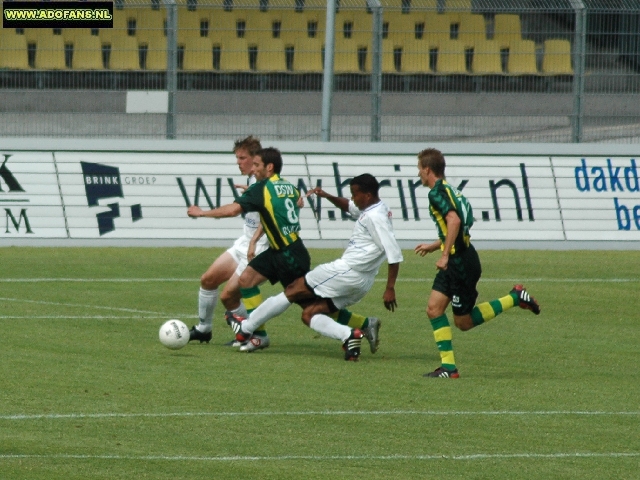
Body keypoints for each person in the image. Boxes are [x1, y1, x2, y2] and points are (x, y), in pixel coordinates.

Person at [228, 173, 403, 361]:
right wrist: (327, 196)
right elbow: (350, 207)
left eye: (354, 194)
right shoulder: (374, 207)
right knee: (309, 313)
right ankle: (349, 335)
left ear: (367, 195)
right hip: (362, 282)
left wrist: (390, 288)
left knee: (293, 290)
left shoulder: (376, 217)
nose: (352, 198)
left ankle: (245, 329)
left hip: (347, 271)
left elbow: (394, 253)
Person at [415, 148, 541, 379]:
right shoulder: (452, 190)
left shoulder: (436, 193)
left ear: (427, 169)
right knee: (434, 309)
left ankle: (515, 297)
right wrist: (436, 245)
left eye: (419, 170)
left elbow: (454, 221)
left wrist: (444, 255)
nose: (419, 175)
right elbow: (462, 223)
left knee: (463, 322)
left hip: (459, 263)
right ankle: (449, 368)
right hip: (456, 257)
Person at [186, 136, 270, 350]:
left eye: (242, 158)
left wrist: (202, 213)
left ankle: (255, 335)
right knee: (208, 280)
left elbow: (233, 210)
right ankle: (204, 329)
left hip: (259, 248)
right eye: (237, 158)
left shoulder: (265, 182)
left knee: (229, 297)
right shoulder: (253, 180)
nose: (238, 162)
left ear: (255, 159)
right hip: (245, 242)